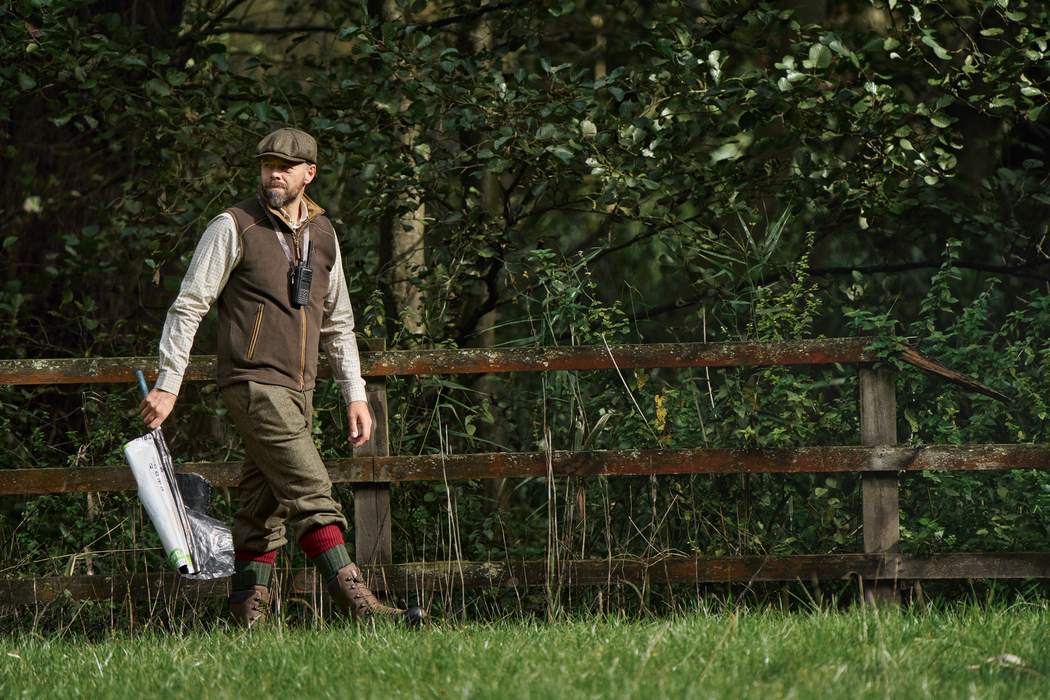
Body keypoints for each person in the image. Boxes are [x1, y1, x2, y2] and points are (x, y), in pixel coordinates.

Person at [139, 127, 425, 628]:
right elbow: (189, 306)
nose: (273, 173)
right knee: (312, 491)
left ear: (308, 173)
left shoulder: (325, 234)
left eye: (285, 166)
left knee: (260, 506)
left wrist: (355, 394)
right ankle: (364, 608)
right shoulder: (233, 226)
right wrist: (169, 381)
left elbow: (339, 323)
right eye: (267, 163)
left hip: (301, 390)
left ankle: (244, 617)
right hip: (251, 383)